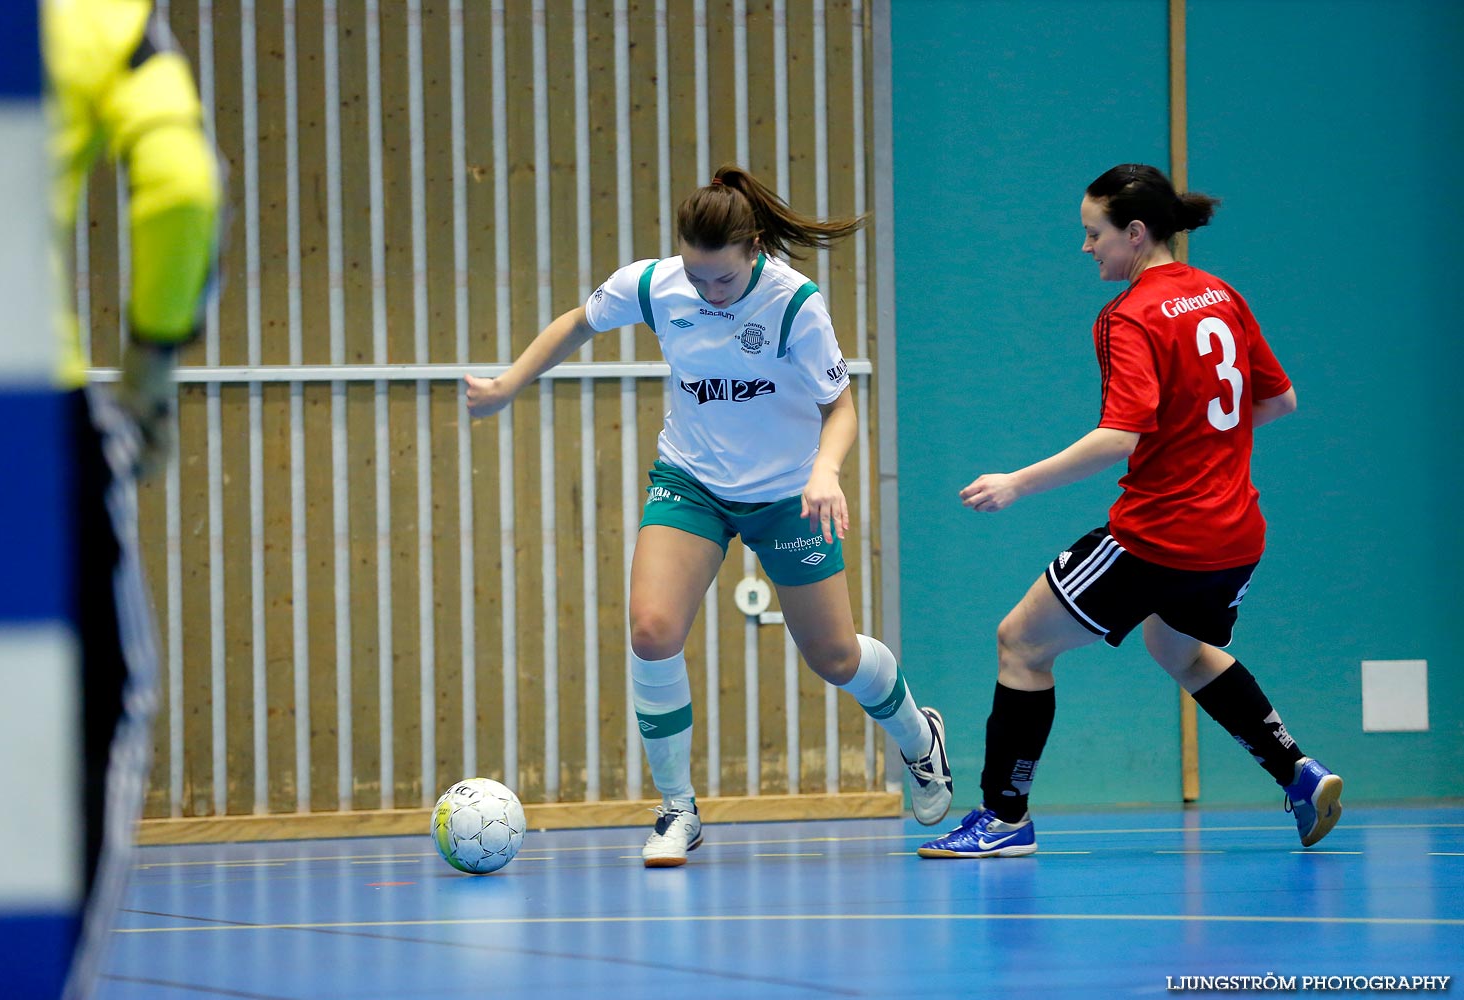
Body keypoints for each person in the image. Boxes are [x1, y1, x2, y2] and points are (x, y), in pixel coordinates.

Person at [466, 164, 953, 866]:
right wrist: (509, 383)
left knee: (836, 656)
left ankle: (918, 736)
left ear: (753, 249)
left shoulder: (795, 305)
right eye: (696, 277)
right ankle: (677, 809)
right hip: (692, 480)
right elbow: (580, 321)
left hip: (788, 492)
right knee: (652, 629)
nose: (707, 292)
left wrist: (825, 470)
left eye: (721, 279)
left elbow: (840, 406)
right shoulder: (658, 284)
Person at [918, 164, 1341, 859]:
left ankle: (1003, 817)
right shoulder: (1219, 294)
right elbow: (1278, 400)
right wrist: (1202, 440)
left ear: (1135, 233)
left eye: (1094, 234)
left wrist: (1016, 483)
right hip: (1236, 534)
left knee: (1021, 643)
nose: (1087, 248)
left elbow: (1120, 437)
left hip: (1160, 533)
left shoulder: (1130, 315)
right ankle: (1296, 772)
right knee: (1176, 646)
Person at [44, 2, 222, 994]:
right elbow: (183, 184)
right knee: (93, 713)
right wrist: (151, 362)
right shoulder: (93, 12)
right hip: (16, 416)